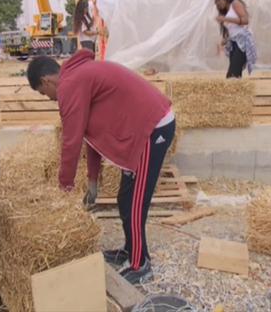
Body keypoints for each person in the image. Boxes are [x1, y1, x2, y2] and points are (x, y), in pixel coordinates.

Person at [26, 49, 176, 285]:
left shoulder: (69, 85)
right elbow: (90, 136)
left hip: (151, 127)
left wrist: (64, 190)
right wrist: (93, 181)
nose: (50, 99)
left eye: (45, 94)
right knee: (125, 198)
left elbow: (71, 141)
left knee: (135, 202)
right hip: (140, 128)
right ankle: (130, 250)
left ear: (46, 81)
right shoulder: (77, 78)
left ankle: (140, 265)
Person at [214, 0, 257, 78]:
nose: (218, 3)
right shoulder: (225, 11)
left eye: (219, 0)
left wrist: (225, 19)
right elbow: (233, 29)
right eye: (216, 2)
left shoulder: (235, 3)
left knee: (233, 73)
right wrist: (226, 40)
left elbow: (245, 20)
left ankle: (234, 89)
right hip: (234, 42)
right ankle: (235, 88)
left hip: (242, 41)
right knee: (234, 71)